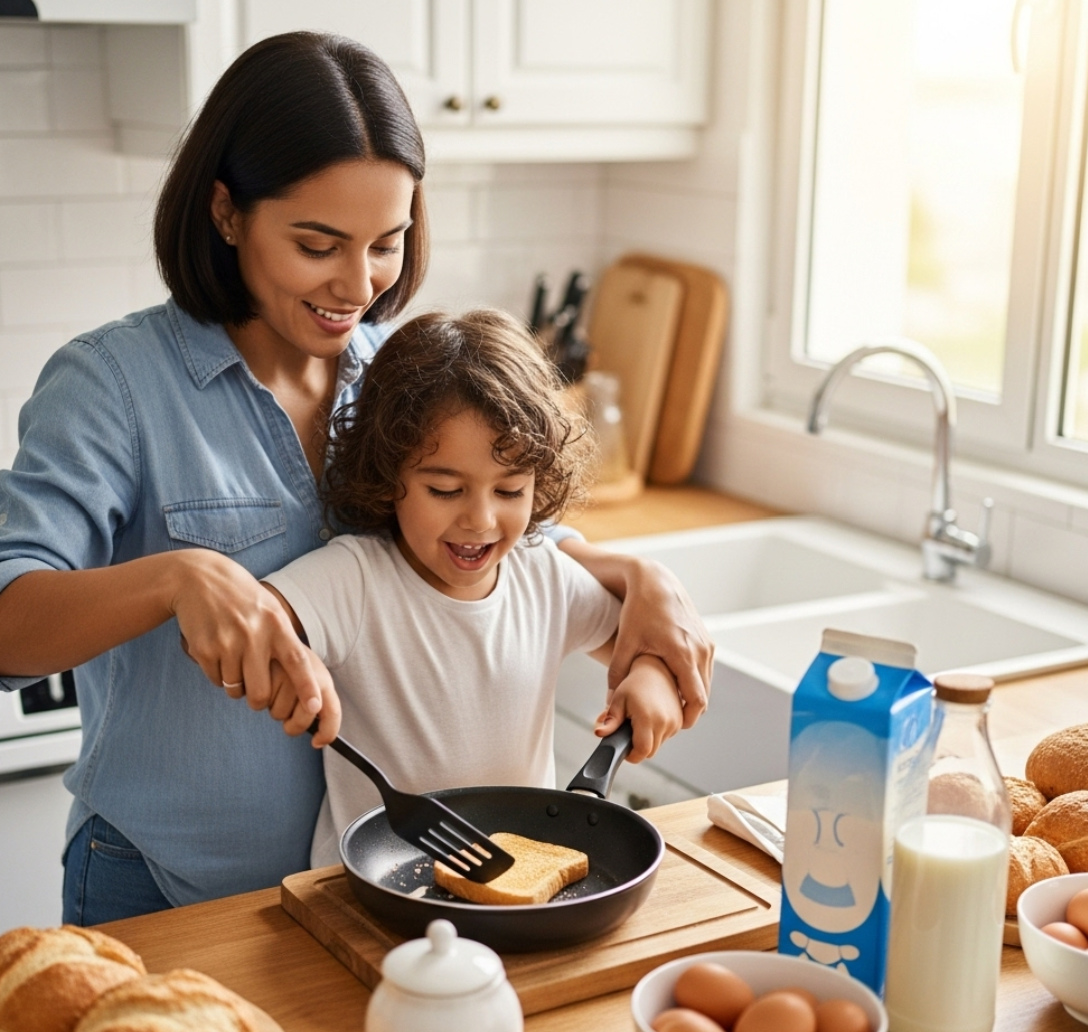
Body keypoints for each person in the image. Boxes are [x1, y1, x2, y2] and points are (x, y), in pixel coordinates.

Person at [0, 31, 712, 927]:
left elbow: (482, 544)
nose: (359, 284)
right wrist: (178, 577)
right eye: (318, 243)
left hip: (363, 899)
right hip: (160, 884)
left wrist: (639, 576)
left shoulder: (392, 375)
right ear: (226, 212)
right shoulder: (114, 383)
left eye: (388, 243)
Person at [260, 308, 687, 866]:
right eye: (444, 489)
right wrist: (279, 655)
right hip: (367, 887)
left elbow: (641, 644)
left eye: (510, 490)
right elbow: (248, 618)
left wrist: (651, 678)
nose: (480, 520)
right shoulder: (355, 578)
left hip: (518, 879)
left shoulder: (543, 572)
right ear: (390, 477)